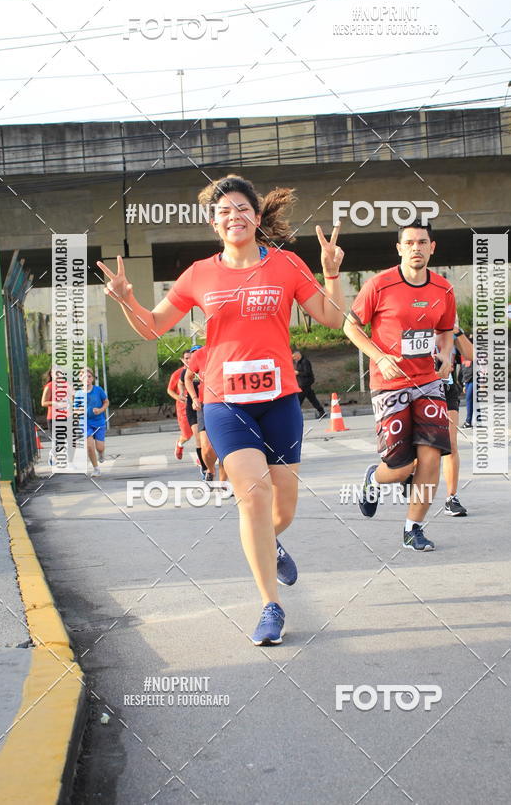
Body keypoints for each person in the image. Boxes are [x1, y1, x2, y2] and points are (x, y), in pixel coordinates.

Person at [98, 174, 344, 646]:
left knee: (282, 506)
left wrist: (331, 272)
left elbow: (332, 318)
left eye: (241, 208)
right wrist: (128, 299)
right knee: (253, 495)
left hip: (279, 400)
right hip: (225, 401)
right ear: (215, 223)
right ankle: (270, 606)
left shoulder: (288, 265)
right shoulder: (198, 274)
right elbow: (152, 328)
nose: (234, 217)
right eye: (224, 211)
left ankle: (271, 544)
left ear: (256, 216)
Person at [343, 218, 455, 552]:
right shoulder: (379, 285)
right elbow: (351, 327)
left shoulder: (444, 289)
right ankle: (373, 480)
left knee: (432, 457)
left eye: (422, 242)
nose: (416, 248)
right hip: (389, 384)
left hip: (428, 382)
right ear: (399, 248)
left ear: (431, 248)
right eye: (409, 243)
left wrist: (446, 355)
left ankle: (413, 528)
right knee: (401, 466)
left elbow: (446, 331)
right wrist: (379, 356)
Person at [440, 315, 474, 517]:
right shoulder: (417, 323)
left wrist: (457, 332)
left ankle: (451, 498)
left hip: (447, 387)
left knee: (451, 444)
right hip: (420, 389)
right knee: (420, 447)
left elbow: (470, 354)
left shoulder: (451, 331)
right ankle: (406, 476)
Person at [184, 344, 218, 482]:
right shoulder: (199, 355)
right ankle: (209, 468)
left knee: (224, 447)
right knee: (206, 446)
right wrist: (194, 398)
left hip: (226, 403)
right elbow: (187, 378)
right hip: (205, 405)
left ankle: (223, 482)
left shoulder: (228, 349)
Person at [74, 367, 109, 478]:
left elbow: (106, 402)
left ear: (92, 378)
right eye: (84, 377)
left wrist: (100, 410)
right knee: (89, 447)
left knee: (100, 447)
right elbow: (75, 409)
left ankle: (101, 453)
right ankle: (96, 468)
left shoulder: (98, 390)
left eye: (89, 377)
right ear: (80, 379)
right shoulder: (78, 394)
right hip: (85, 422)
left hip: (99, 421)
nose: (87, 379)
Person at [167, 350, 193, 460]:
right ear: (182, 360)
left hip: (198, 407)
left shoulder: (198, 371)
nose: (189, 360)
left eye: (191, 357)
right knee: (187, 435)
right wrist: (180, 398)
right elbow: (170, 390)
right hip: (183, 409)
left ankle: (202, 457)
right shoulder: (177, 374)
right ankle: (179, 444)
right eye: (186, 358)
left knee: (203, 434)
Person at [292, 349, 325, 419]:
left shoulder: (305, 362)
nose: (294, 359)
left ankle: (294, 416)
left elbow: (308, 372)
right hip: (302, 384)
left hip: (305, 384)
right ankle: (321, 411)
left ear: (298, 355)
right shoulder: (297, 362)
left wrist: (298, 373)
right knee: (312, 398)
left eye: (294, 357)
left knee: (298, 401)